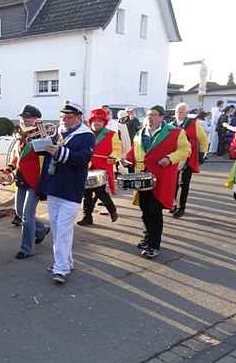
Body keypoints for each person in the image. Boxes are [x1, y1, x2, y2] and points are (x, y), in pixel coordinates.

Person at [124, 106, 190, 258]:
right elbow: (134, 152)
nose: (150, 118)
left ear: (161, 117)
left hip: (161, 178)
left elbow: (186, 150)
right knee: (145, 209)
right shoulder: (140, 133)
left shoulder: (175, 132)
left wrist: (170, 158)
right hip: (142, 179)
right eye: (148, 115)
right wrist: (127, 160)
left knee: (154, 211)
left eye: (153, 115)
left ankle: (154, 245)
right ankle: (147, 237)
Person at [41, 101, 94, 284]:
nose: (63, 119)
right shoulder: (57, 132)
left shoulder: (86, 135)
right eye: (62, 116)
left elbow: (83, 158)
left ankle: (61, 269)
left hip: (71, 188)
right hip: (54, 186)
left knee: (63, 230)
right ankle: (65, 262)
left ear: (78, 117)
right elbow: (47, 157)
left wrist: (59, 152)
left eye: (68, 117)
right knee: (57, 230)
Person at [9, 105, 50, 259]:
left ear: (36, 119)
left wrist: (42, 137)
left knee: (27, 215)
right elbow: (18, 156)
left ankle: (26, 249)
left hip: (35, 180)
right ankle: (40, 230)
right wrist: (10, 167)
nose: (24, 120)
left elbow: (45, 157)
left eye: (28, 117)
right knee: (19, 212)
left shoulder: (42, 134)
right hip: (21, 178)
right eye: (23, 117)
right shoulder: (22, 136)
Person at [77, 108, 120, 226]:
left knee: (100, 191)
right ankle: (87, 217)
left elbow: (117, 150)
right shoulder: (85, 134)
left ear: (104, 122)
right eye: (94, 120)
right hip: (87, 167)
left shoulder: (112, 134)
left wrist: (113, 156)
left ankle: (112, 210)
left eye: (100, 121)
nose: (96, 123)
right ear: (90, 121)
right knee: (87, 194)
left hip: (102, 169)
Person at [169, 103, 209, 218]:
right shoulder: (171, 125)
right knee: (173, 183)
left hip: (189, 158)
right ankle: (173, 204)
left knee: (184, 184)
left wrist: (202, 154)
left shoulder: (193, 124)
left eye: (181, 112)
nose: (178, 114)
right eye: (177, 112)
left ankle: (182, 208)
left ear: (187, 113)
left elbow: (203, 140)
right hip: (174, 158)